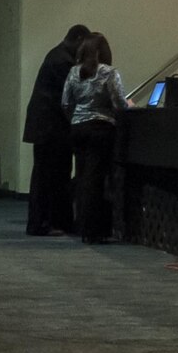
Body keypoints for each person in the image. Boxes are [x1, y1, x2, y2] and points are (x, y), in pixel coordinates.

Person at [60, 32, 130, 244]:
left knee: (82, 177)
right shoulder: (109, 73)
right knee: (97, 181)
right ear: (104, 52)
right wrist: (129, 106)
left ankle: (82, 225)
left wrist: (75, 118)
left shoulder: (73, 72)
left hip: (78, 129)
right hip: (101, 129)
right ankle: (95, 230)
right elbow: (119, 104)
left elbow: (65, 103)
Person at [23, 24, 90, 237]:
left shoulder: (56, 55)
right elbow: (71, 95)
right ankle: (42, 223)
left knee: (49, 176)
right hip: (51, 127)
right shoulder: (64, 62)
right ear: (79, 39)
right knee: (49, 177)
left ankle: (48, 222)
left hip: (45, 126)